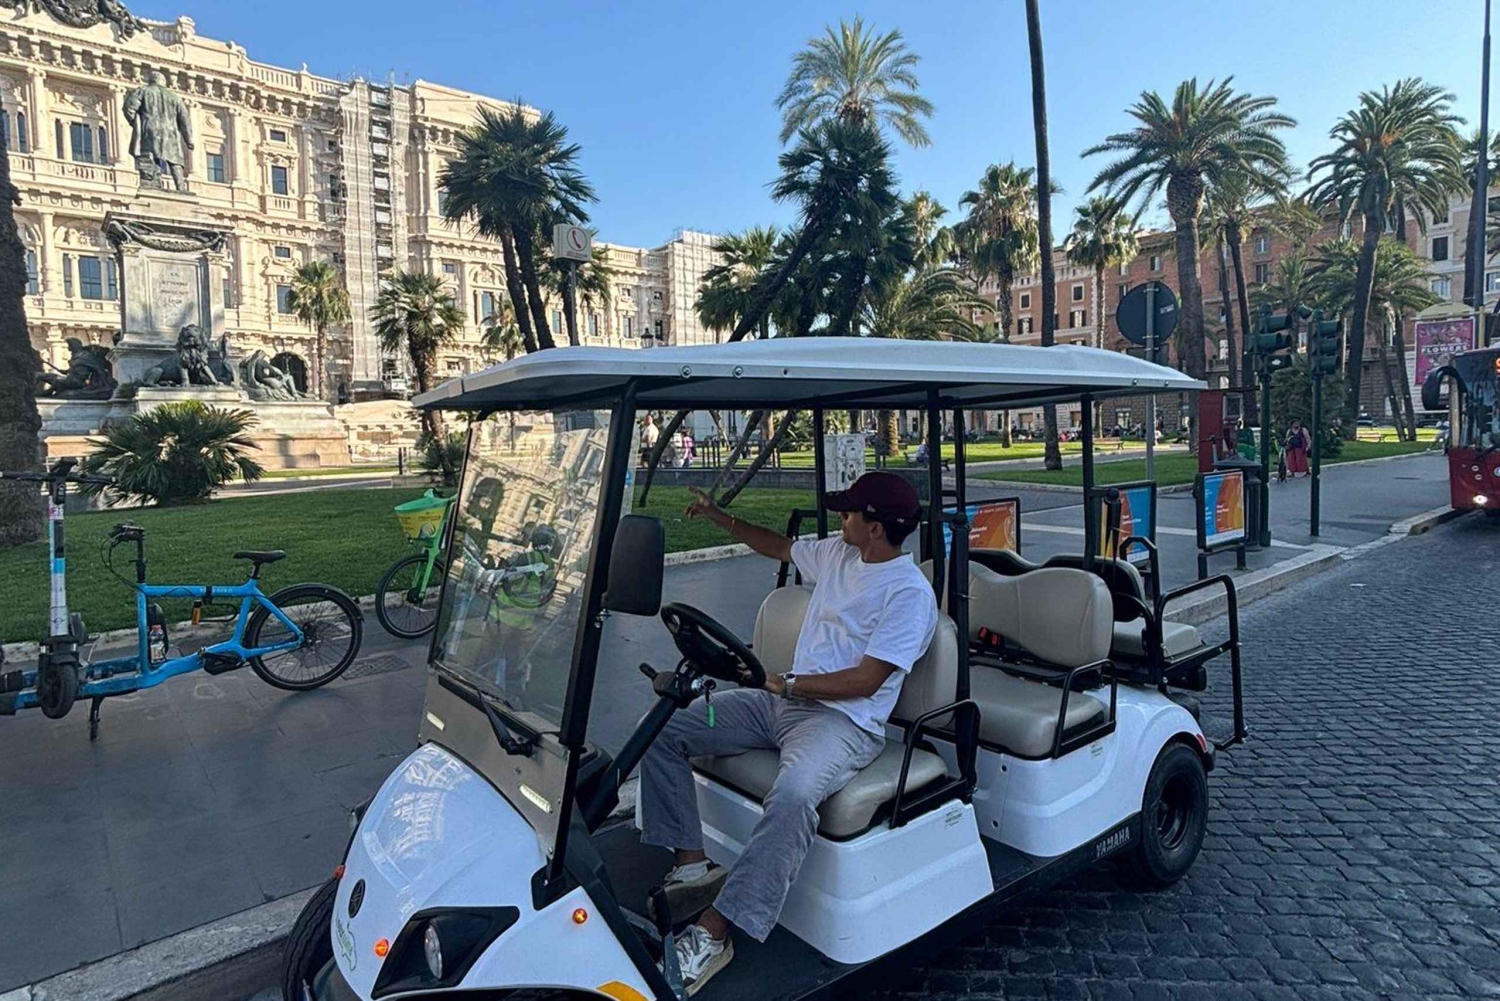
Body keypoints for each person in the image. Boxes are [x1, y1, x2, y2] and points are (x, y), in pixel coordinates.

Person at [639, 472, 937, 993]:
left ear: (875, 527)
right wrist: (717, 515)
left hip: (844, 723)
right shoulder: (841, 554)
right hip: (782, 702)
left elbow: (866, 681)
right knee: (663, 728)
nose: (840, 517)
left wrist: (786, 682)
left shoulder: (909, 595)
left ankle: (715, 933)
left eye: (849, 511)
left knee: (795, 796)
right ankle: (691, 866)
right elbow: (778, 546)